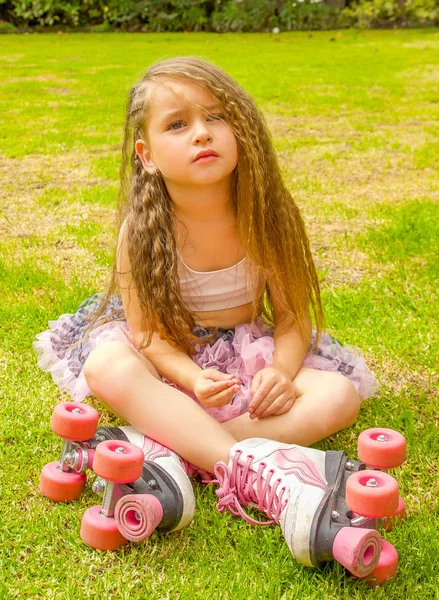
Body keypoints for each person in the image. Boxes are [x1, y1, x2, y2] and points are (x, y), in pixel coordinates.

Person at [34, 56, 379, 564]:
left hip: (244, 351)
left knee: (338, 396)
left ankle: (169, 451)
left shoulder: (270, 215)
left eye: (216, 117)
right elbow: (146, 335)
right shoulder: (143, 231)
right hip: (170, 356)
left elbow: (291, 320)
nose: (202, 134)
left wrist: (283, 373)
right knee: (107, 364)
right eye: (178, 124)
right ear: (146, 156)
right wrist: (191, 378)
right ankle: (261, 473)